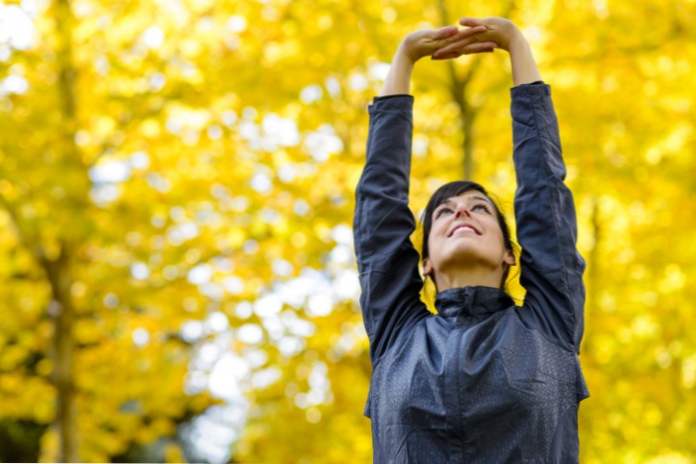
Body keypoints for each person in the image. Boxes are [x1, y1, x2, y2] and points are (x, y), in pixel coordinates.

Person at [353, 16, 591, 463]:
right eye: (442, 212)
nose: (461, 210)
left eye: (480, 208)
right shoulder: (396, 334)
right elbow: (377, 213)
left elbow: (544, 191)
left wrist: (517, 47)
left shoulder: (549, 323)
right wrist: (403, 60)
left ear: (509, 254)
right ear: (424, 262)